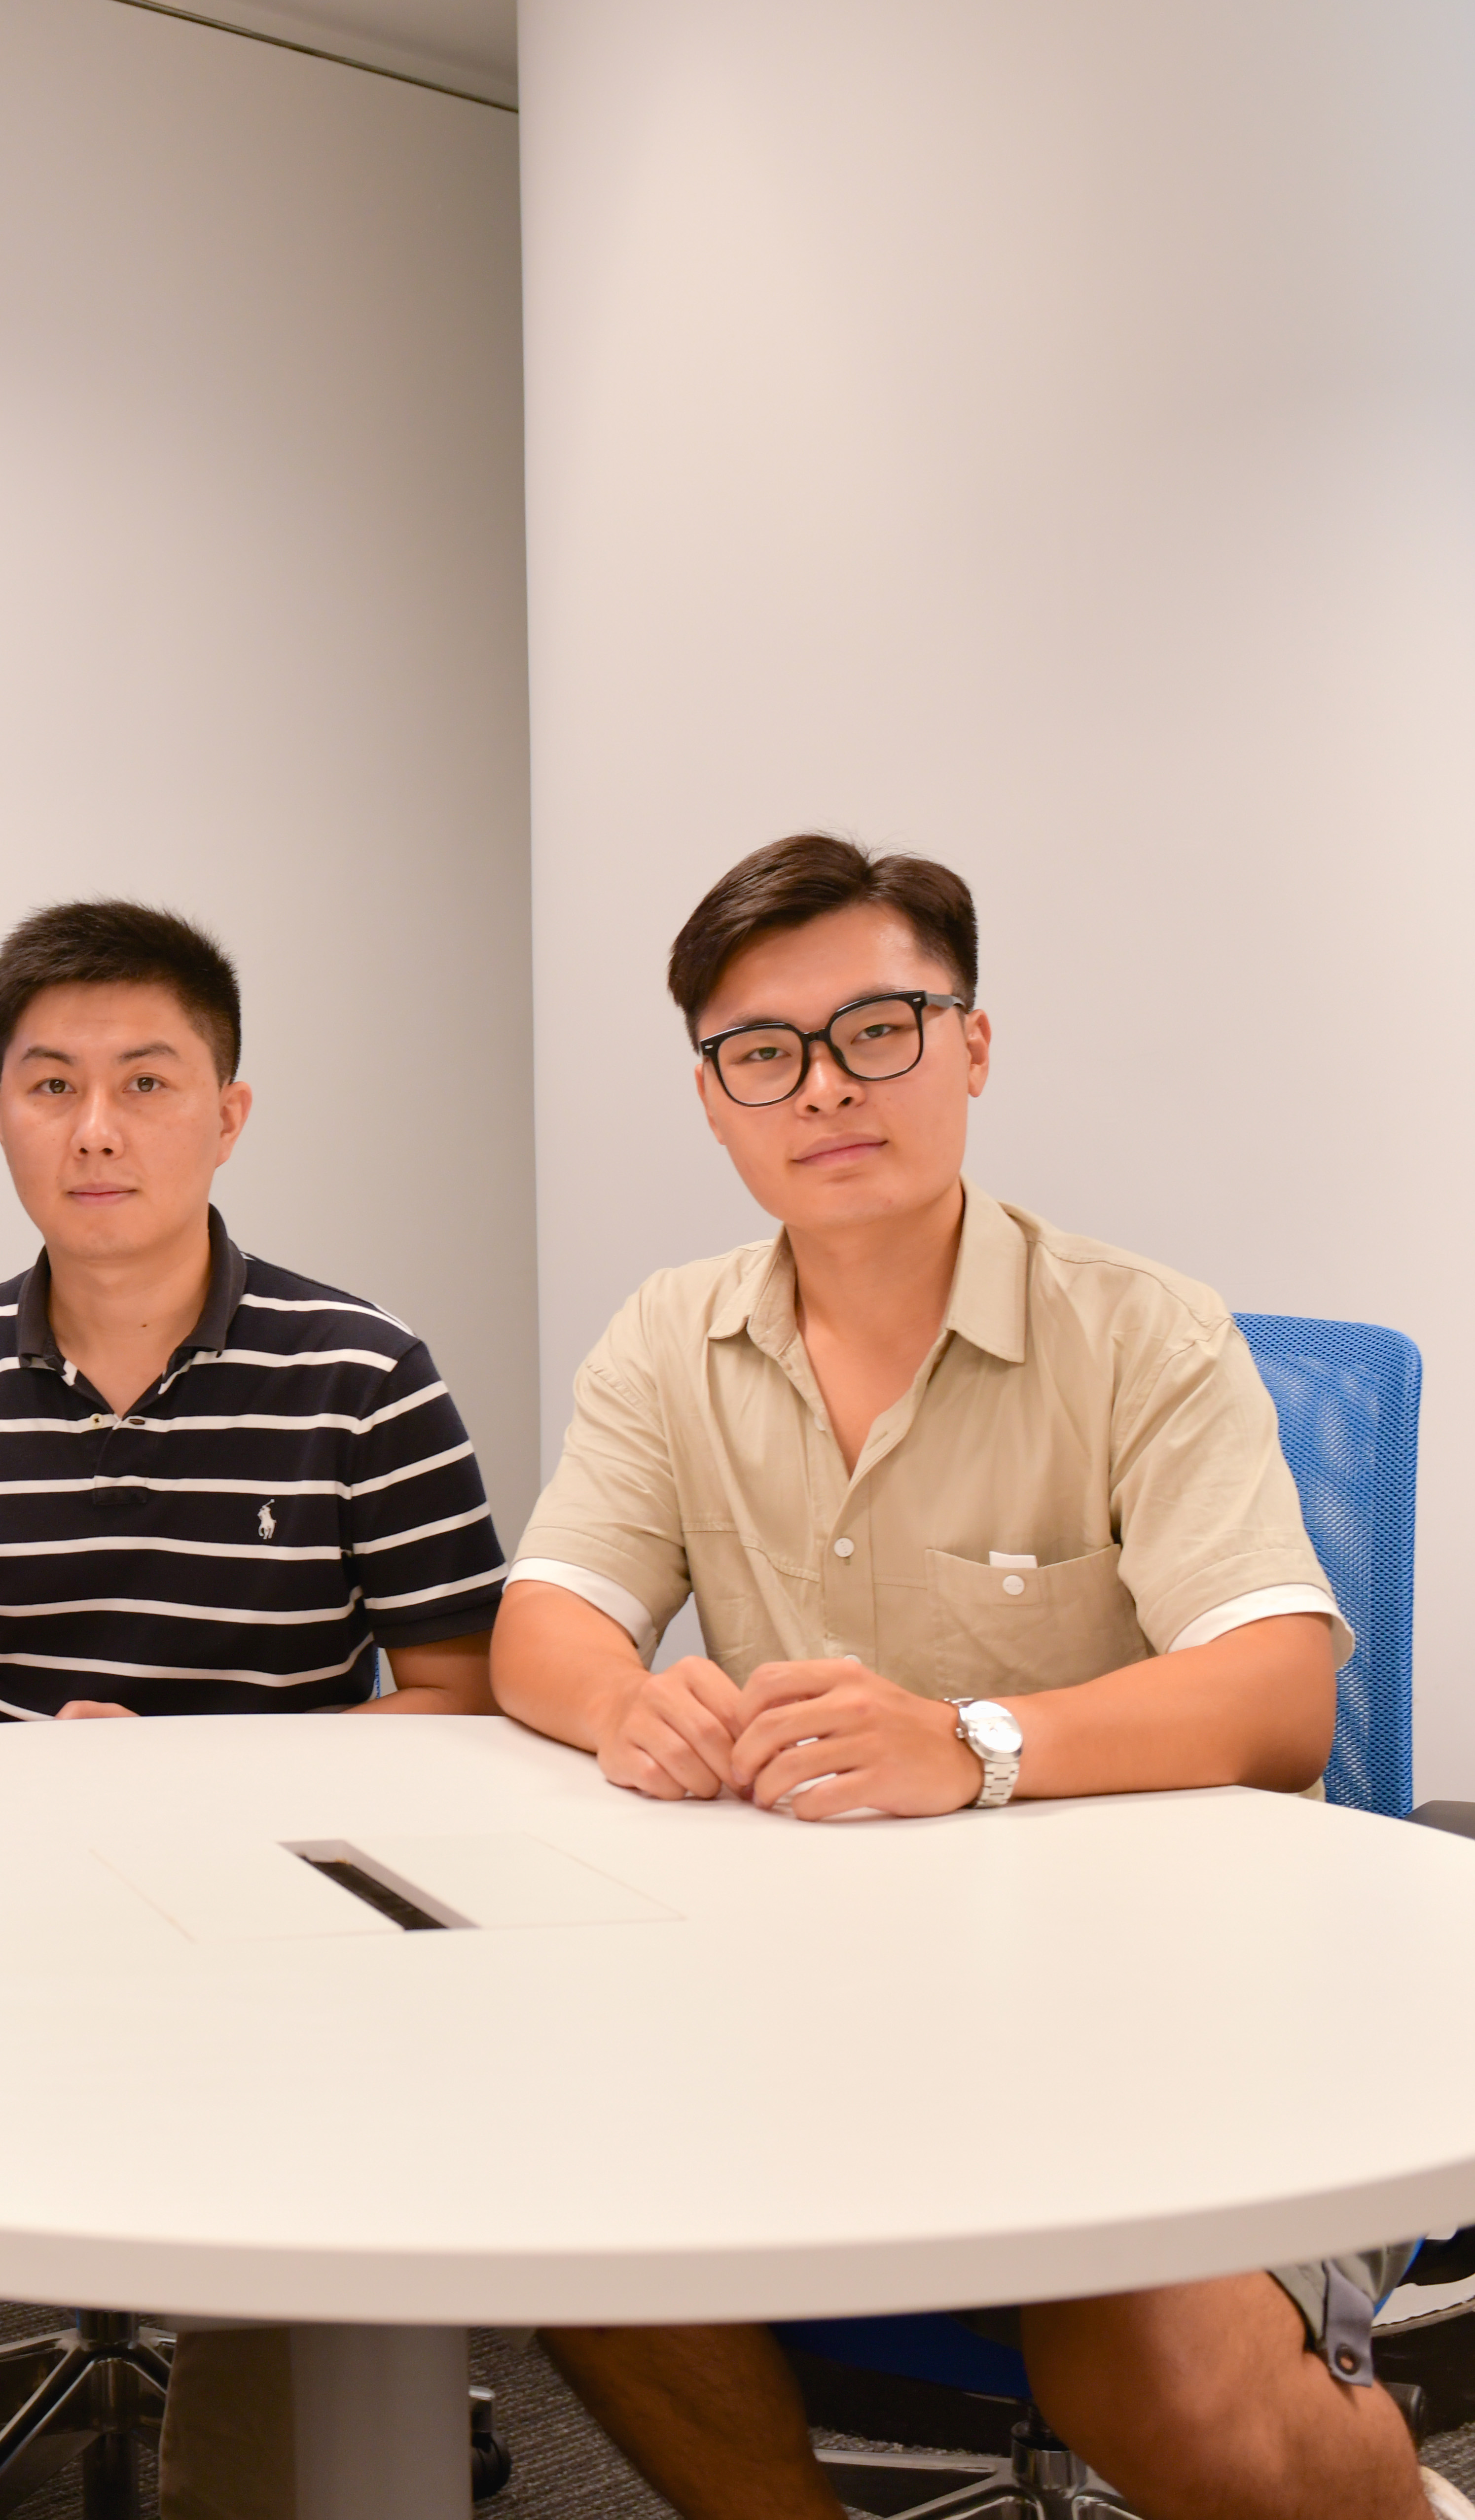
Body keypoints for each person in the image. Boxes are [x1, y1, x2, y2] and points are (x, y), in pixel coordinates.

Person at [492, 832, 1427, 2520]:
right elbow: (547, 1620)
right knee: (555, 2195)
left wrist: (976, 1743)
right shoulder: (669, 1338)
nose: (824, 1086)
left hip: (1159, 2005)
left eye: (878, 1029)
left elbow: (1283, 1691)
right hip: (818, 2001)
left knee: (1136, 2338)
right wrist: (628, 1701)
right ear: (713, 1099)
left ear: (971, 1046)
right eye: (762, 1052)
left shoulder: (1143, 1332)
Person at [0, 898, 513, 2520]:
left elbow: (467, 1701)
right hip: (11, 1899)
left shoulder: (366, 1374)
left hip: (293, 1906)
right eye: (51, 1085)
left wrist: (194, 1783)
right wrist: (32, 1789)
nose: (96, 1129)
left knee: (293, 2135)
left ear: (229, 1113)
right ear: (1, 1112)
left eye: (146, 1082)